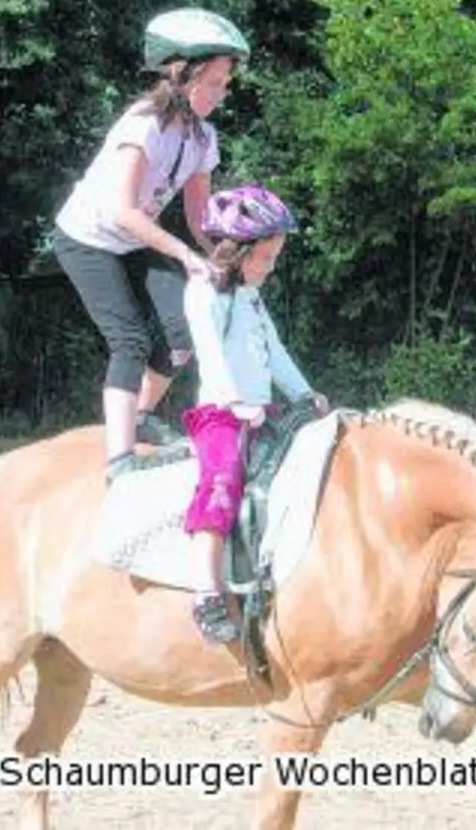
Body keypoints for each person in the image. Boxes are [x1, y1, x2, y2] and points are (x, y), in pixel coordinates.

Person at [51, 7, 251, 482]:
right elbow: (123, 211)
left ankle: (138, 415)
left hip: (136, 239)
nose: (223, 95)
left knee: (181, 337)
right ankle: (119, 459)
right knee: (131, 340)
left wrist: (223, 255)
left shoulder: (204, 138)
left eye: (226, 84)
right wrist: (184, 254)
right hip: (89, 240)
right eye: (216, 82)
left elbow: (199, 216)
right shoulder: (143, 124)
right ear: (184, 76)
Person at [180, 184, 330, 644]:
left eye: (274, 257)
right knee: (222, 479)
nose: (270, 266)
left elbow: (275, 353)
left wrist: (306, 394)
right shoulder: (204, 291)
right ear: (233, 251)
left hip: (262, 410)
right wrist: (233, 402)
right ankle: (205, 590)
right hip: (220, 415)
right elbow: (209, 352)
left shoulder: (251, 297)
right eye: (264, 257)